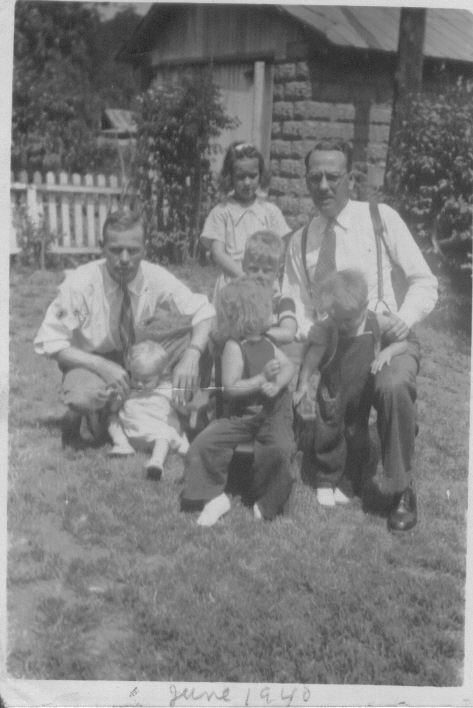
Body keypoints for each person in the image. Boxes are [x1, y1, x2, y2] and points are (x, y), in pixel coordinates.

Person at [283, 138, 438, 532]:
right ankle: (305, 459)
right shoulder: (301, 239)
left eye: (332, 176)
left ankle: (400, 487)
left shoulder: (380, 218)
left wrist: (403, 318)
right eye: (315, 177)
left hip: (385, 336)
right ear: (306, 180)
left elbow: (424, 281)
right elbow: (295, 301)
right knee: (317, 398)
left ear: (350, 178)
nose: (323, 186)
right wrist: (307, 340)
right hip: (334, 344)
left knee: (392, 386)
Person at [34, 209, 215, 448]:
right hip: (94, 358)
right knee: (83, 397)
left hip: (138, 355)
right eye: (116, 250)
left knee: (206, 339)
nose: (125, 258)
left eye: (133, 250)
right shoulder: (80, 283)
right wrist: (102, 366)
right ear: (102, 247)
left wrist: (192, 353)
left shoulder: (154, 276)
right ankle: (96, 413)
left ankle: (183, 410)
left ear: (145, 248)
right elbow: (50, 342)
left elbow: (203, 309)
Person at [180, 278, 296, 527]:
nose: (270, 316)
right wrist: (261, 379)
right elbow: (231, 387)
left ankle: (267, 502)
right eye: (265, 311)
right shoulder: (235, 346)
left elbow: (289, 366)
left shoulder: (267, 341)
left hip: (273, 412)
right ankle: (213, 496)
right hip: (242, 414)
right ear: (250, 316)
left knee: (280, 448)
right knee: (203, 444)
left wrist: (277, 384)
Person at [293, 269, 408, 507]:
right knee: (328, 433)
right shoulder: (328, 327)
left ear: (364, 306)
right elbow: (312, 358)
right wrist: (303, 383)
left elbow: (403, 342)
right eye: (336, 318)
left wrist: (387, 351)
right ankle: (326, 478)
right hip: (332, 393)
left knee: (357, 436)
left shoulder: (377, 322)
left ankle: (349, 480)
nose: (342, 325)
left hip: (361, 393)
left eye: (348, 320)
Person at [201, 141, 290, 299]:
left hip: (264, 281)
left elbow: (282, 248)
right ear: (230, 177)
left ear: (260, 175)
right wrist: (245, 278)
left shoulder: (270, 211)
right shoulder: (222, 212)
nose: (247, 182)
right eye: (241, 177)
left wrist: (265, 274)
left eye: (252, 176)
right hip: (233, 281)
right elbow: (218, 253)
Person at [107, 340, 190, 481]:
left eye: (146, 381)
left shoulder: (167, 389)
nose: (139, 384)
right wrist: (118, 399)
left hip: (157, 435)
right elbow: (113, 408)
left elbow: (185, 413)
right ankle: (121, 444)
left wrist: (178, 405)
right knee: (112, 419)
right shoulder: (127, 388)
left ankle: (156, 461)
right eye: (136, 378)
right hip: (131, 434)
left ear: (160, 375)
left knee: (165, 434)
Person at [242, 230, 297, 346]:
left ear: (277, 271)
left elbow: (288, 333)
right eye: (254, 269)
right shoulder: (239, 299)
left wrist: (251, 335)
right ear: (243, 266)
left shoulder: (282, 301)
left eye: (266, 271)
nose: (260, 275)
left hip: (272, 351)